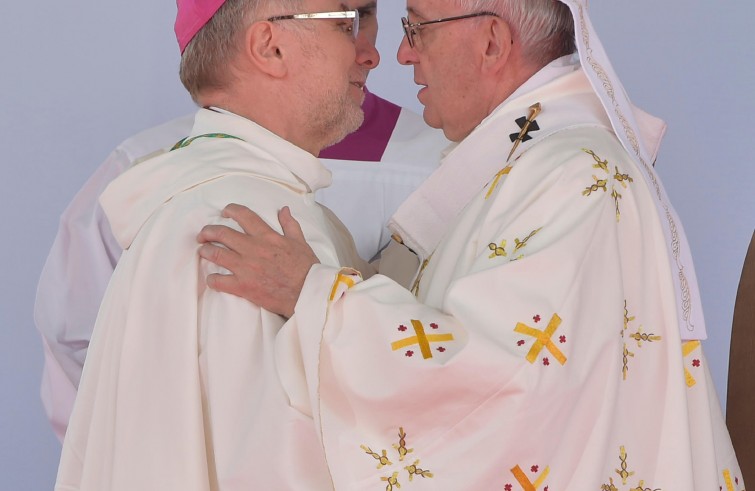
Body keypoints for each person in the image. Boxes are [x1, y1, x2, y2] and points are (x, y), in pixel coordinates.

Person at [196, 0, 745, 488]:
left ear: (492, 42)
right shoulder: (538, 166)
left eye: (418, 28)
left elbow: (502, 389)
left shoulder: (577, 178)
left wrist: (314, 295)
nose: (403, 55)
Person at [35, 0, 448, 442]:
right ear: (267, 47)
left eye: (366, 15)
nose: (374, 53)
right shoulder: (178, 184)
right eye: (345, 22)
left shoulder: (151, 174)